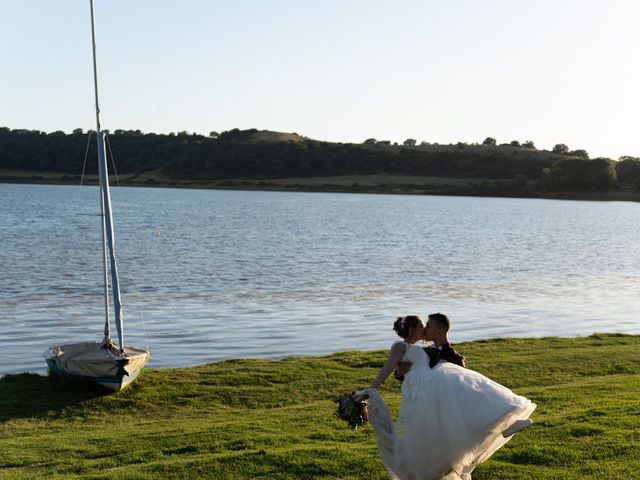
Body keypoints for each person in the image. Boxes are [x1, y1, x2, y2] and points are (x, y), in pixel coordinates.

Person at [354, 315, 536, 480]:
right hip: (421, 392)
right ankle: (434, 466)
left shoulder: (449, 356)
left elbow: (458, 382)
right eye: (422, 325)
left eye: (428, 325)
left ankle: (508, 415)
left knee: (458, 382)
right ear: (412, 329)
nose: (425, 328)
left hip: (434, 389)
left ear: (440, 330)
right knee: (424, 432)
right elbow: (395, 367)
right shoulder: (414, 348)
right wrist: (382, 381)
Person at [394, 313, 464, 382]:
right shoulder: (422, 352)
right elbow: (403, 375)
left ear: (440, 330)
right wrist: (399, 372)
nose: (424, 329)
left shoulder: (456, 359)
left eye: (428, 326)